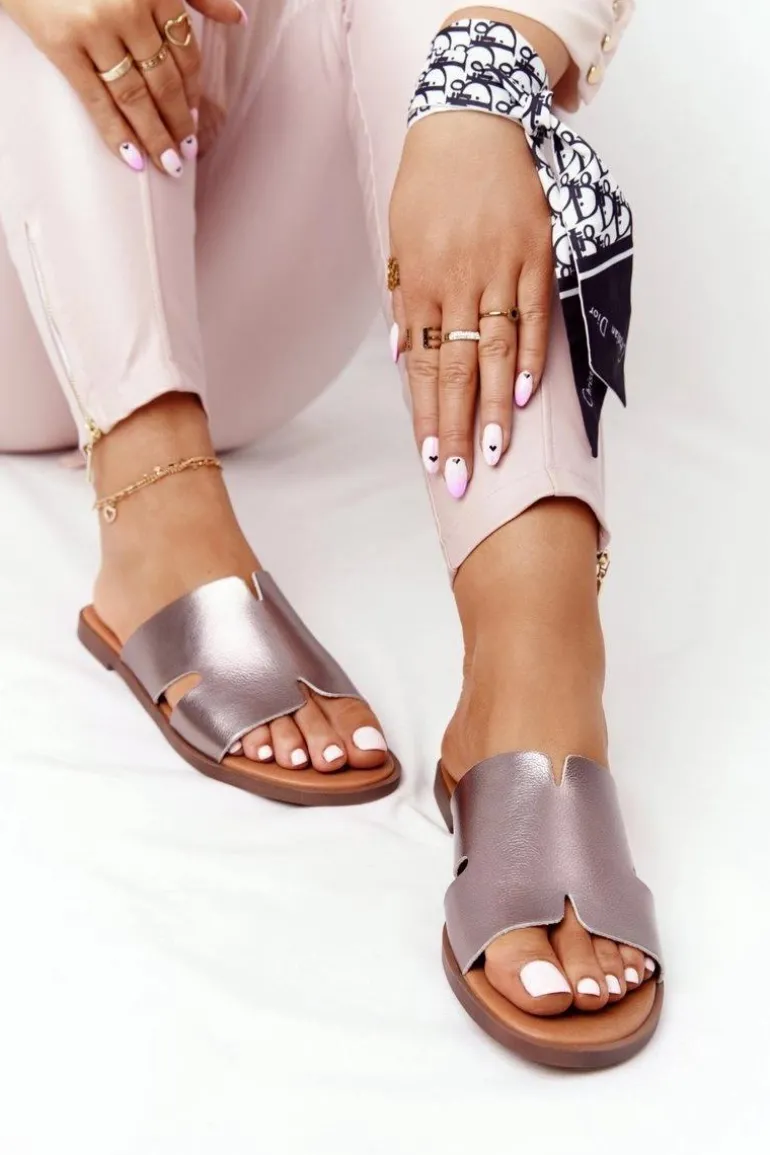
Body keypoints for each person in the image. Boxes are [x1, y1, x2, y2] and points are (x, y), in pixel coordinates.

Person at [0, 0, 663, 1068]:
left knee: (471, 57)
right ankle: (159, 510)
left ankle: (533, 669)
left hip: (245, 280)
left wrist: (480, 89)